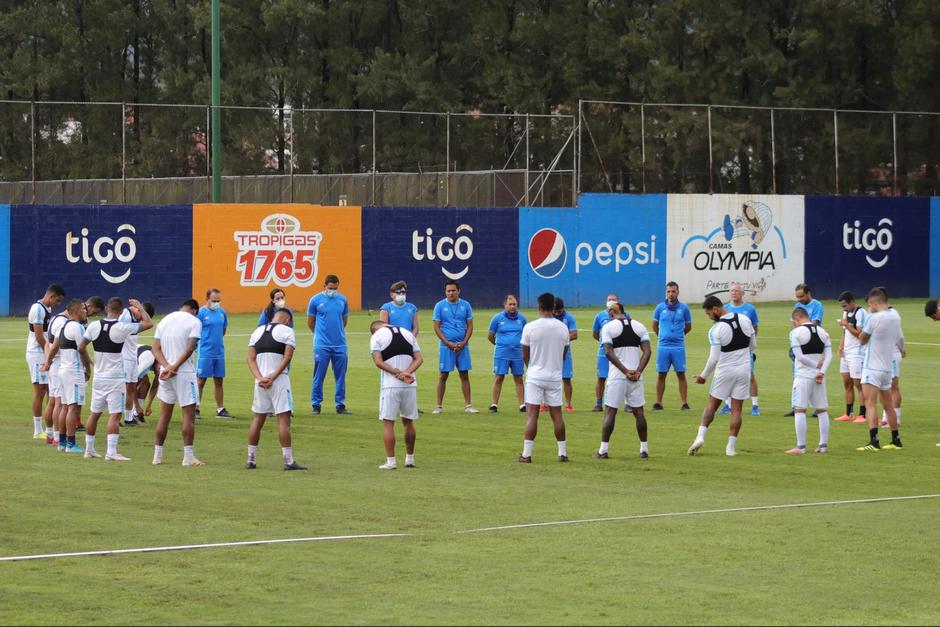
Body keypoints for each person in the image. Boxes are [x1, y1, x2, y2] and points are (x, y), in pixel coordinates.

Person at [80, 297, 153, 460]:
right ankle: (111, 452)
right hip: (115, 377)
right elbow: (148, 324)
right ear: (121, 312)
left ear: (106, 308)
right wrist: (140, 307)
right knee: (114, 415)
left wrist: (89, 363)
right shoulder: (122, 327)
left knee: (94, 414)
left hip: (99, 376)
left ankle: (89, 449)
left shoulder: (93, 326)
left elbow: (80, 347)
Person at [687, 296, 756, 457]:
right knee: (737, 409)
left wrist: (703, 376)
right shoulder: (745, 319)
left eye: (709, 314)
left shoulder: (716, 330)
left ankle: (700, 437)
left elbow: (714, 358)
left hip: (725, 370)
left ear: (716, 309)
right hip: (744, 369)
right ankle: (730, 448)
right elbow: (753, 346)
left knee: (712, 404)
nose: (709, 317)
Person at [246, 309, 306, 471]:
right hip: (279, 380)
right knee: (284, 419)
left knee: (257, 419)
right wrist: (273, 376)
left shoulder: (257, 332)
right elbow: (287, 357)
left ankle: (250, 459)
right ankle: (288, 460)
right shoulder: (287, 331)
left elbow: (250, 358)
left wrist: (260, 377)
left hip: (260, 381)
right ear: (287, 320)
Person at [518, 292, 571, 463]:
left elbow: (525, 355)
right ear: (554, 308)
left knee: (532, 415)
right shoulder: (563, 327)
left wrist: (532, 368)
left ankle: (527, 454)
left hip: (535, 375)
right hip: (555, 376)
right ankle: (562, 453)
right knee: (557, 415)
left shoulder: (530, 327)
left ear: (539, 307)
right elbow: (564, 354)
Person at [595, 302, 652, 460]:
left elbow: (608, 352)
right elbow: (647, 351)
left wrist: (625, 371)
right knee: (639, 412)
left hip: (618, 376)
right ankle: (644, 449)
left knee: (610, 411)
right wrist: (638, 371)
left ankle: (603, 450)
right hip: (636, 376)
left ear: (613, 312)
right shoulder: (639, 326)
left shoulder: (608, 328)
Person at [151, 299, 204, 466]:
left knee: (164, 415)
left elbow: (155, 348)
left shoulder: (165, 320)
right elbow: (190, 349)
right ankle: (188, 456)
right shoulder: (195, 321)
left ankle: (157, 456)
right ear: (195, 310)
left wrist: (166, 366)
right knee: (188, 416)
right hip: (184, 373)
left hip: (164, 373)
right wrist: (174, 367)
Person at [370, 320, 424, 470]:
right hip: (410, 384)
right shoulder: (408, 333)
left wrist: (397, 373)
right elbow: (419, 359)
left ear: (374, 330)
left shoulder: (376, 336)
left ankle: (391, 461)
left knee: (388, 423)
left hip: (390, 385)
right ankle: (410, 458)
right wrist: (407, 372)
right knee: (408, 421)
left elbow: (378, 362)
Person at [856, 287, 904, 451]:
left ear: (875, 303)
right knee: (888, 405)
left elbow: (862, 339)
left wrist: (869, 315)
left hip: (872, 367)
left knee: (870, 403)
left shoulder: (874, 318)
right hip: (886, 368)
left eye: (871, 304)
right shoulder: (895, 316)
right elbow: (900, 339)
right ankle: (895, 440)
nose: (870, 307)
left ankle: (874, 441)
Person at [40, 298, 90, 453]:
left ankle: (61, 441)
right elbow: (82, 349)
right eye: (83, 308)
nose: (85, 311)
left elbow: (53, 347)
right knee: (73, 408)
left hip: (61, 369)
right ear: (75, 310)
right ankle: (71, 444)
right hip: (73, 371)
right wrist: (88, 367)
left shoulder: (63, 326)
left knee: (63, 406)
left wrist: (47, 363)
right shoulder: (77, 327)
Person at [785, 308, 832, 455]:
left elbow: (799, 357)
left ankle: (801, 446)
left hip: (802, 376)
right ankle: (823, 445)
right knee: (822, 410)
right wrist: (821, 371)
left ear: (797, 320)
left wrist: (815, 366)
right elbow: (829, 356)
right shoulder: (823, 332)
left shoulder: (796, 333)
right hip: (819, 377)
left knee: (800, 409)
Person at [432, 280, 478, 414]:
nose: (450, 293)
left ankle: (468, 406)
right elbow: (436, 327)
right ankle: (438, 406)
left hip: (463, 346)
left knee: (464, 374)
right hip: (446, 346)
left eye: (453, 290)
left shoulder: (466, 305)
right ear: (445, 292)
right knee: (443, 375)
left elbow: (470, 325)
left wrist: (464, 342)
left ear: (459, 291)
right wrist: (448, 343)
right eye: (448, 291)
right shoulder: (439, 306)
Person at [307, 274, 350, 415]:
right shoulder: (315, 300)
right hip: (321, 345)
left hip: (340, 344)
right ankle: (316, 405)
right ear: (324, 286)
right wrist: (319, 335)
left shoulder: (343, 300)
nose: (333, 290)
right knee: (319, 375)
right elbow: (310, 322)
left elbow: (344, 320)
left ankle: (340, 405)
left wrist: (337, 333)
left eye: (335, 288)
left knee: (341, 376)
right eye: (330, 288)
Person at [26, 283, 66, 439]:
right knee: (40, 391)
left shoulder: (47, 309)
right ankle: (37, 430)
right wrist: (49, 355)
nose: (58, 304)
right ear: (51, 296)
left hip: (44, 353)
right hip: (36, 354)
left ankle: (52, 428)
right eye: (57, 301)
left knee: (49, 390)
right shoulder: (37, 309)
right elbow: (39, 336)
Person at [720, 282, 760, 416]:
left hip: (745, 349)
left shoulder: (750, 309)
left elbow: (754, 328)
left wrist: (748, 343)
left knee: (750, 376)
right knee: (728, 376)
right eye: (732, 291)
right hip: (729, 350)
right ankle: (727, 405)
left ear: (742, 293)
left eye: (737, 291)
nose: (734, 293)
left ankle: (755, 406)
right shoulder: (725, 308)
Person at [652, 281, 692, 411]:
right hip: (663, 347)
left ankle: (685, 403)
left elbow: (688, 327)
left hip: (678, 347)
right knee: (661, 374)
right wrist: (663, 336)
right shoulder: (659, 308)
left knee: (681, 374)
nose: (671, 294)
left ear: (678, 292)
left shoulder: (684, 309)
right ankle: (658, 402)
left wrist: (678, 336)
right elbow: (654, 326)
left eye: (673, 291)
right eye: (668, 291)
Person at [196, 288, 232, 419]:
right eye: (214, 300)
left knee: (219, 381)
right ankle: (195, 408)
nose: (216, 303)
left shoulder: (222, 312)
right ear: (207, 300)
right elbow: (195, 332)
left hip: (219, 352)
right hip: (205, 352)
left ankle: (220, 409)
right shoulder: (200, 313)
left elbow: (223, 330)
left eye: (218, 300)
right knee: (200, 381)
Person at [487, 295, 527, 413]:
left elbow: (526, 336)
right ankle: (494, 404)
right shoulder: (497, 318)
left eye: (514, 304)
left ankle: (522, 404)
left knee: (519, 378)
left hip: (518, 353)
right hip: (501, 353)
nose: (512, 306)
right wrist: (501, 345)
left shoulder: (522, 319)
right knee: (499, 377)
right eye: (510, 304)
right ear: (505, 305)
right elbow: (490, 336)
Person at [834, 291, 868, 423]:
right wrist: (840, 347)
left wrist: (846, 324)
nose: (843, 308)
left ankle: (862, 414)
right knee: (847, 383)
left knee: (858, 384)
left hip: (857, 353)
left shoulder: (861, 313)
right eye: (842, 306)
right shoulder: (845, 313)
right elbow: (844, 333)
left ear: (852, 302)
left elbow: (860, 334)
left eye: (845, 305)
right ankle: (848, 413)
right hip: (846, 353)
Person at [120, 300, 154, 426]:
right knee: (124, 388)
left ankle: (128, 419)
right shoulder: (126, 315)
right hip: (123, 358)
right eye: (142, 314)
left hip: (131, 357)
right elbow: (149, 323)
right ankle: (118, 418)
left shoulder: (132, 318)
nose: (141, 321)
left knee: (130, 387)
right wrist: (140, 306)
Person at [591, 293, 620, 412]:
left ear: (618, 301)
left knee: (621, 377)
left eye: (613, 300)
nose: (611, 302)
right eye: (609, 300)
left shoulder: (624, 315)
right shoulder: (599, 316)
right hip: (603, 352)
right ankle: (599, 404)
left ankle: (627, 404)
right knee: (601, 377)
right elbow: (595, 333)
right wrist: (605, 342)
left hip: (618, 351)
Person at [553, 297, 578, 412]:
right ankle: (546, 404)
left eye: (559, 311)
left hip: (565, 353)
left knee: (566, 378)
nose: (557, 313)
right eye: (555, 311)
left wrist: (560, 338)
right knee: (548, 377)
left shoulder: (569, 317)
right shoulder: (548, 318)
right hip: (550, 353)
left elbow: (574, 334)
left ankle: (568, 404)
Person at [135, 344, 161, 421]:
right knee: (142, 382)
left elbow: (155, 386)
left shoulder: (162, 365)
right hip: (125, 357)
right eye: (160, 370)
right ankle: (129, 417)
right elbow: (132, 387)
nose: (160, 372)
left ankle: (135, 414)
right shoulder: (148, 361)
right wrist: (137, 406)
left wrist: (149, 405)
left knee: (146, 383)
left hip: (139, 359)